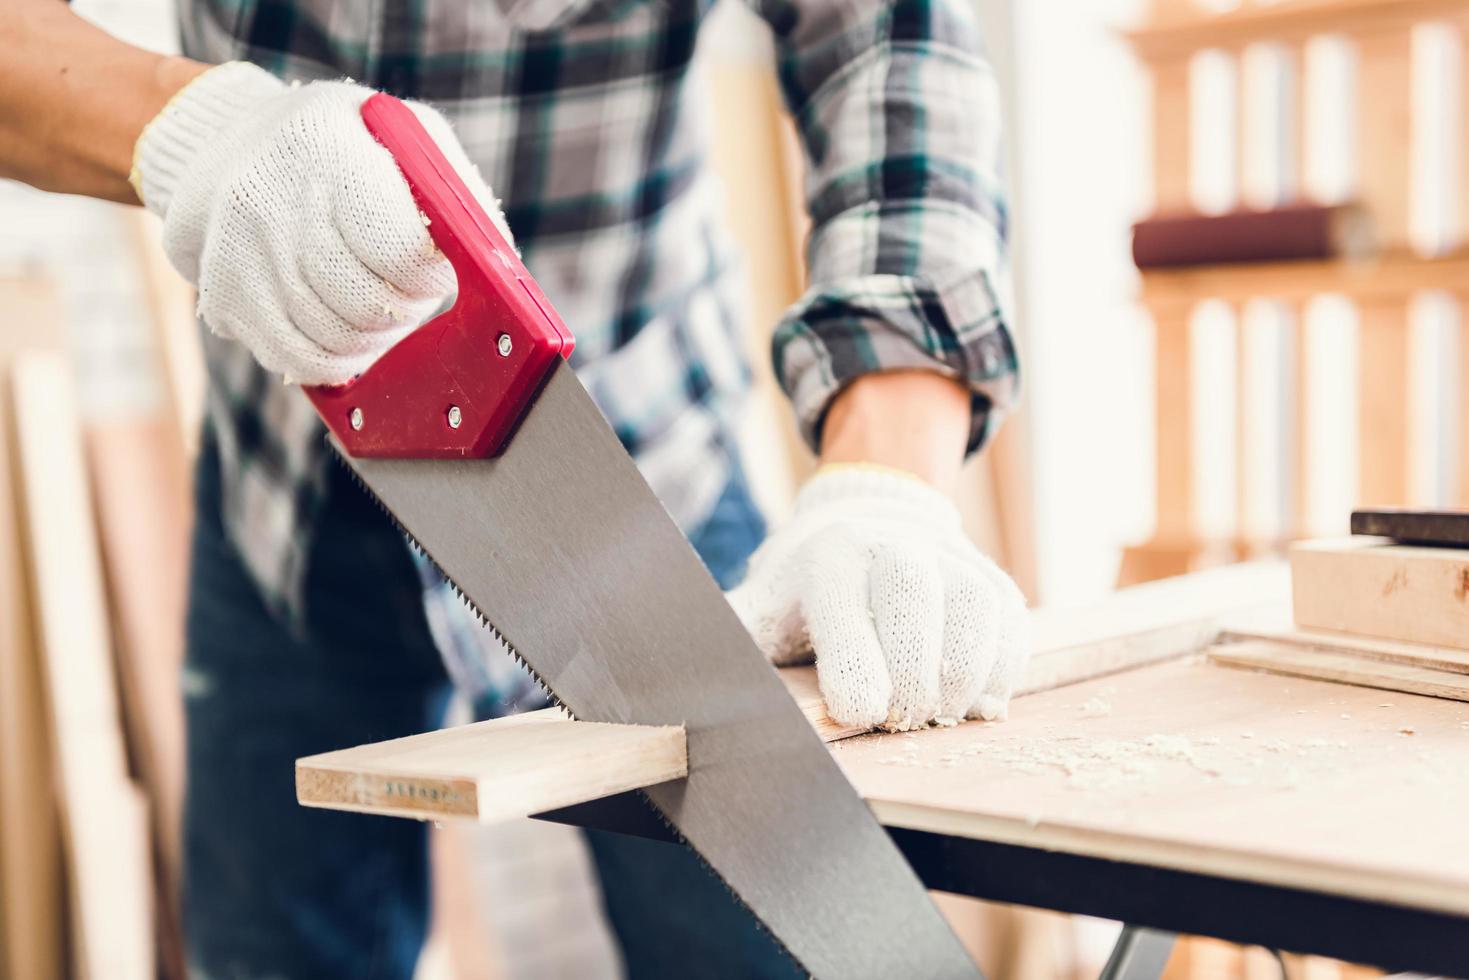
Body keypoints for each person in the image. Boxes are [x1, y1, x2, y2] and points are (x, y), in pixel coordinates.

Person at [2, 0, 1028, 975]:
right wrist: (191, 128)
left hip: (636, 469)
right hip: (286, 497)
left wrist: (883, 480)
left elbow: (892, 45)